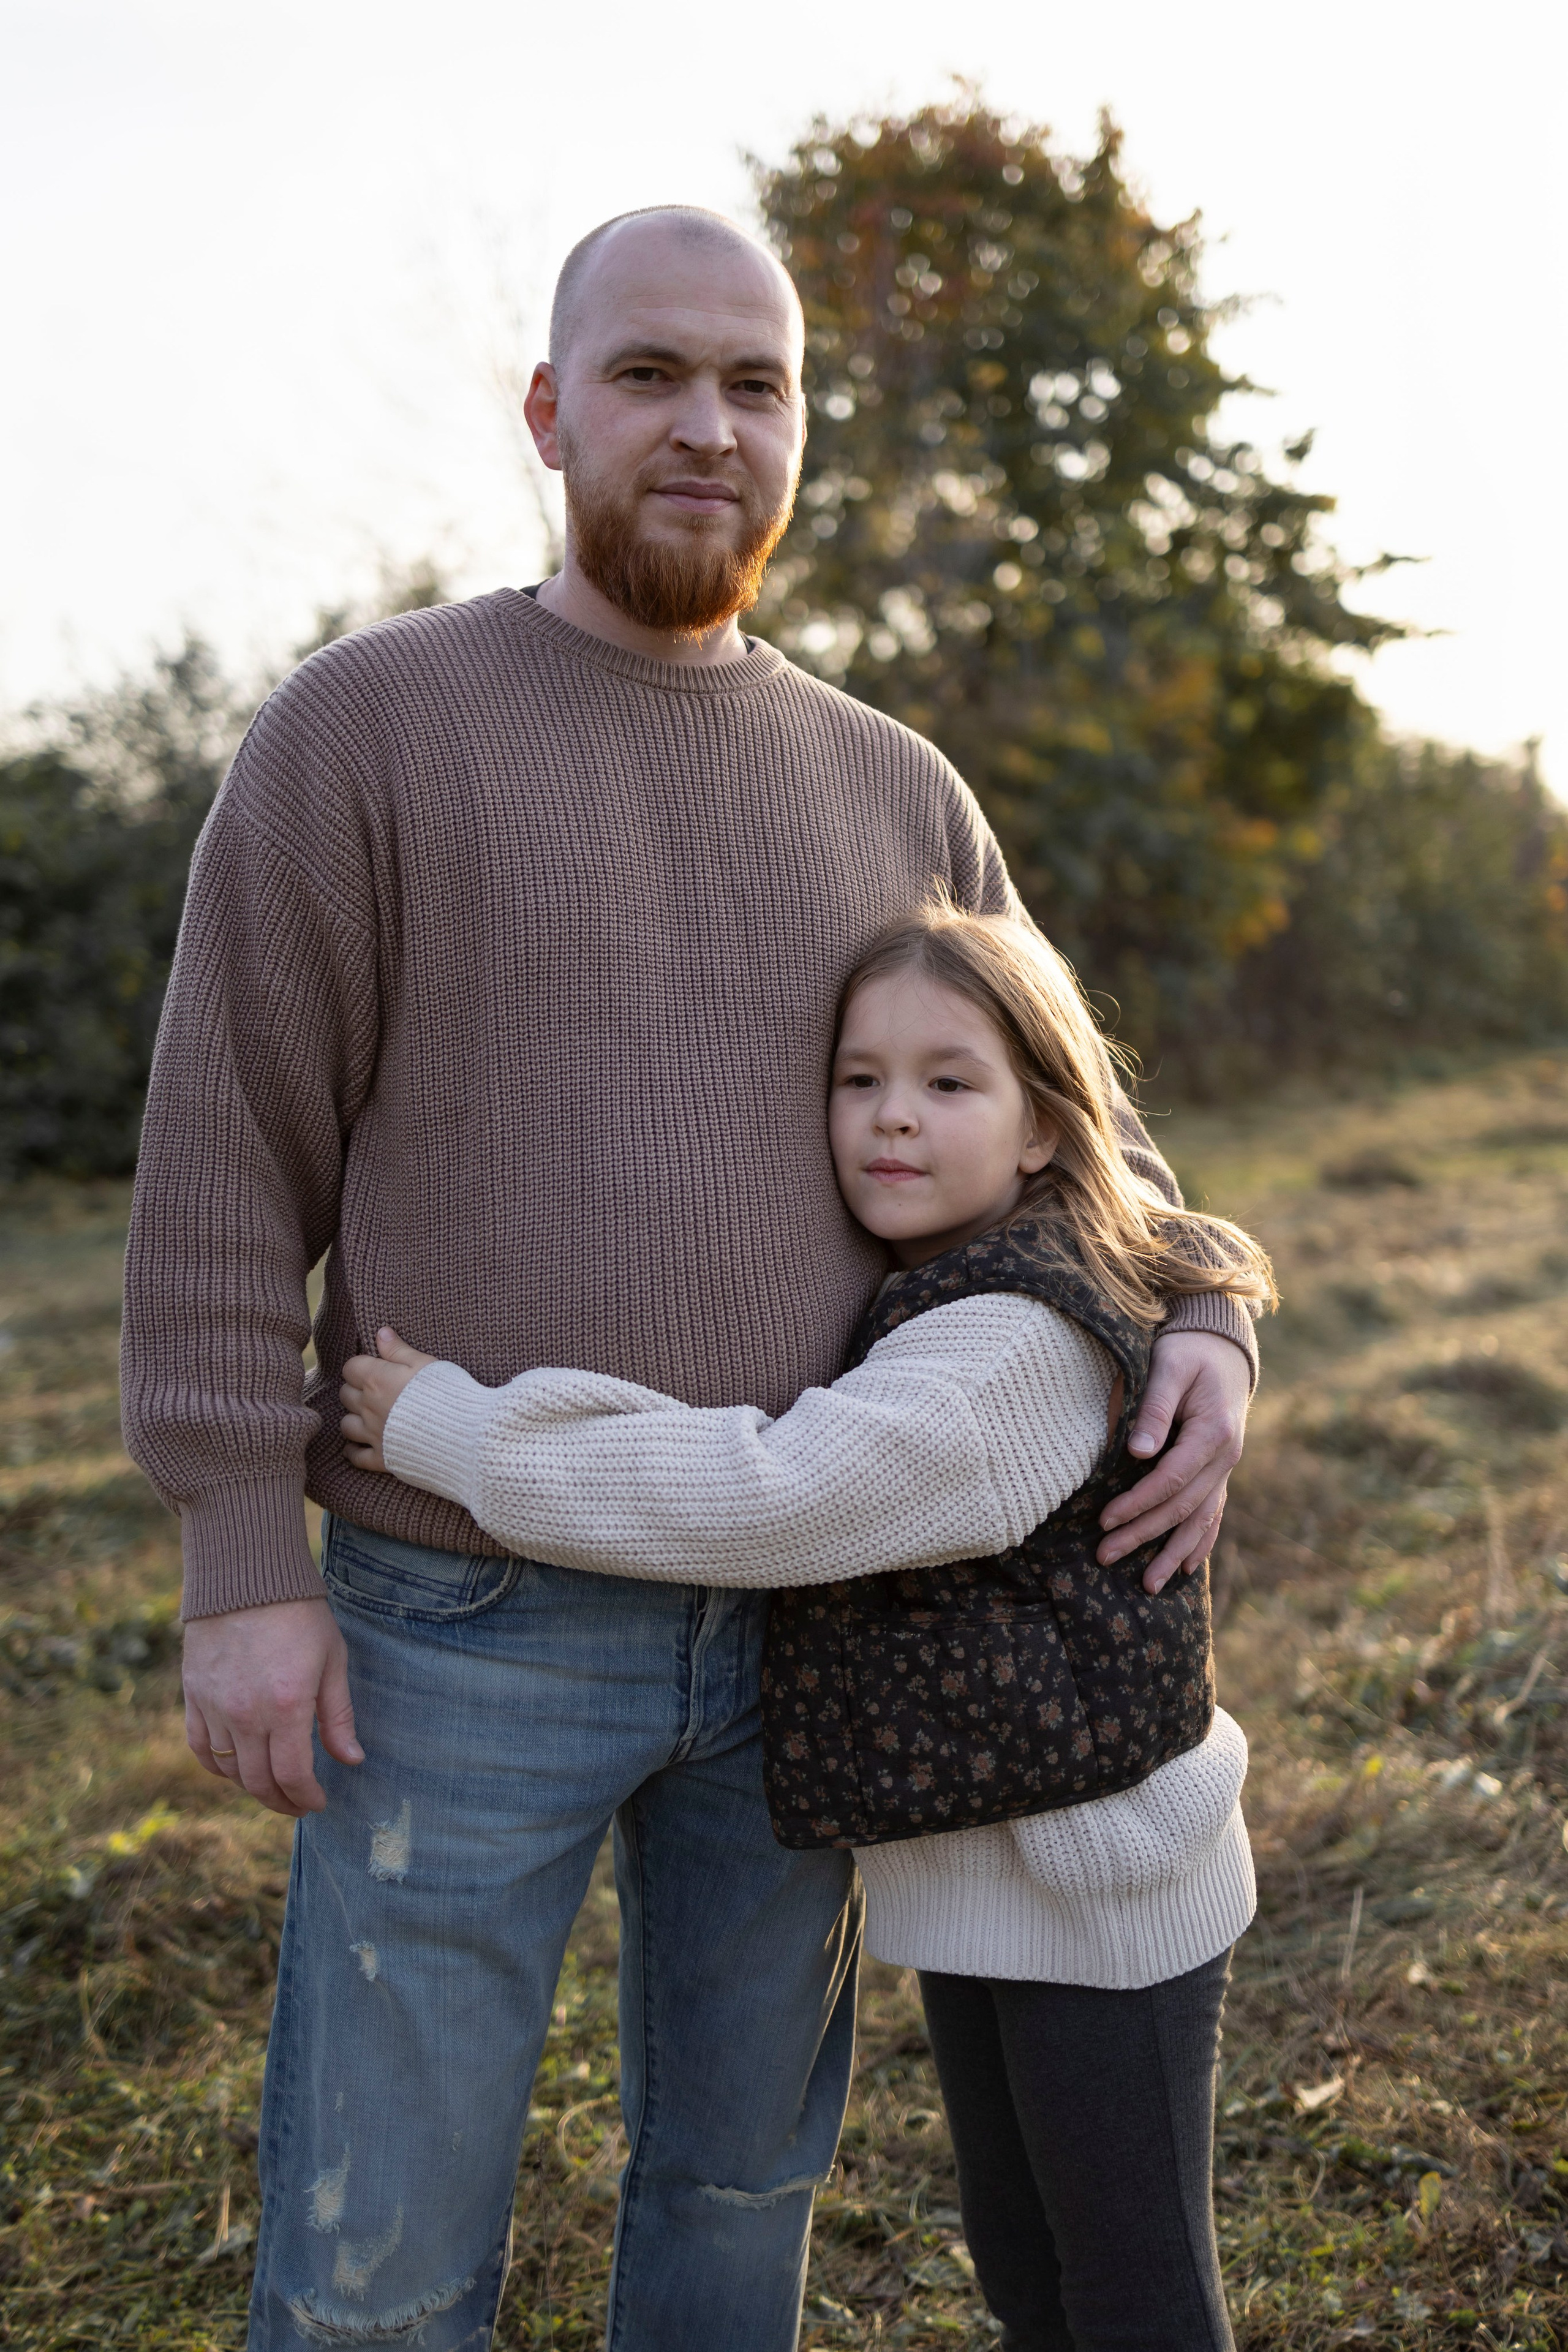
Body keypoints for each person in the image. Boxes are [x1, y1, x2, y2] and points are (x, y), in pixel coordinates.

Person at [121, 204, 1261, 2352]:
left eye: (760, 385)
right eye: (650, 376)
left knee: (739, 2205)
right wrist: (237, 1565)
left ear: (801, 430)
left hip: (815, 1636)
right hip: (453, 1618)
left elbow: (1077, 1130)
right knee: (378, 2261)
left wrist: (1204, 1310)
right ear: (551, 413)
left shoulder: (892, 784)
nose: (707, 427)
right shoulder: (362, 732)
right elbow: (219, 1168)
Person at [341, 901, 1273, 2352]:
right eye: (858, 1080)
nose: (890, 1121)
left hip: (1104, 1899)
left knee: (1135, 2301)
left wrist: (461, 1432)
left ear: (1042, 1127)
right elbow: (791, 1445)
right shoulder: (964, 1277)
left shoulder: (1010, 1342)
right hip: (998, 1868)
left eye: (946, 1083)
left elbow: (774, 1488)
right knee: (1032, 2277)